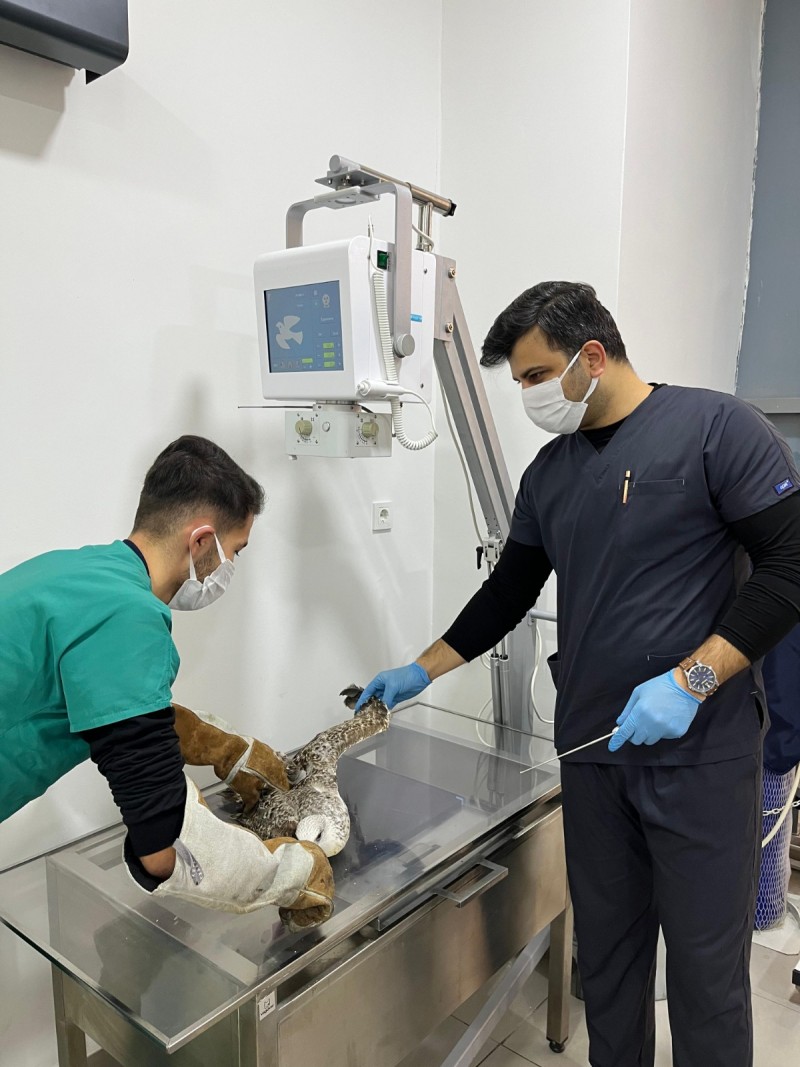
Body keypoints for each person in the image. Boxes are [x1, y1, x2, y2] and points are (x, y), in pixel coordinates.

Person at [357, 282, 800, 1067]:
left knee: (706, 977)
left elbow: (790, 564)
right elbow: (507, 592)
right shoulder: (550, 475)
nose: (529, 394)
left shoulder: (717, 429)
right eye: (520, 381)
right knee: (608, 962)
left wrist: (692, 680)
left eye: (536, 375)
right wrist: (420, 670)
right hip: (596, 753)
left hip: (701, 758)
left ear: (591, 356)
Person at [0, 435, 333, 926]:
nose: (230, 566)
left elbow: (104, 704)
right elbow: (161, 850)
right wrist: (288, 873)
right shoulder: (129, 615)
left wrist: (219, 746)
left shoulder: (78, 572)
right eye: (234, 551)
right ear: (201, 542)